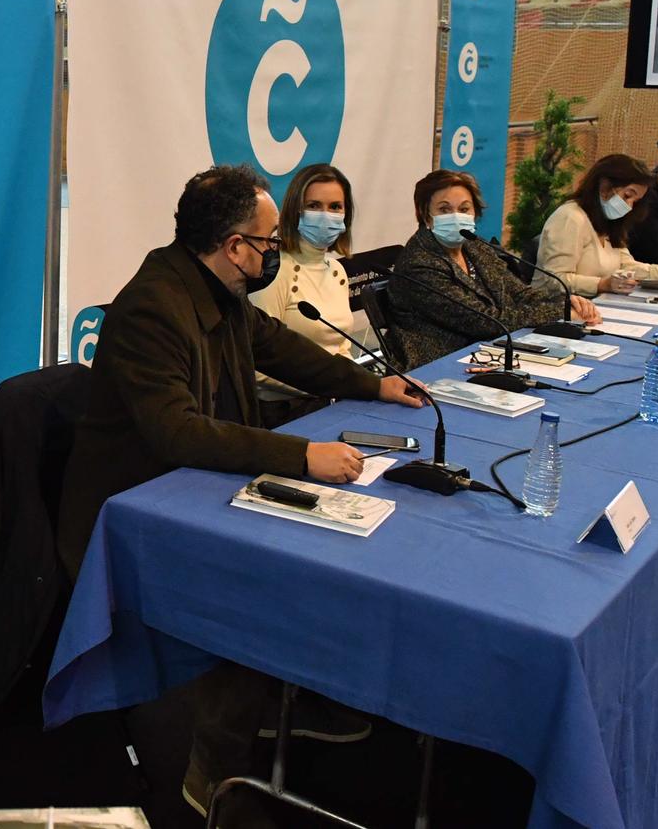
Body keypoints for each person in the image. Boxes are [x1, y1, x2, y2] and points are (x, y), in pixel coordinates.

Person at [53, 164, 428, 817]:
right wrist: (301, 455)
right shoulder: (154, 306)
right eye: (269, 238)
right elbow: (177, 433)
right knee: (258, 570)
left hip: (186, 480)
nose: (275, 249)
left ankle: (296, 692)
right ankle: (214, 763)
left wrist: (372, 384)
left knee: (313, 539)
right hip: (133, 507)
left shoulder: (216, 288)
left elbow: (279, 347)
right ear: (234, 246)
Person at [388, 169, 590, 370]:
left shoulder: (474, 246)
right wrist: (558, 313)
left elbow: (519, 292)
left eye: (464, 209)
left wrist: (565, 305)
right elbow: (485, 321)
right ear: (426, 216)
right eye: (444, 209)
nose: (456, 217)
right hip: (437, 366)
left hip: (487, 353)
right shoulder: (419, 263)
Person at [538, 154, 658, 298]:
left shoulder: (610, 222)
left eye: (635, 201)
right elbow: (554, 279)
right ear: (604, 186)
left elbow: (626, 265)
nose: (630, 206)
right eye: (627, 196)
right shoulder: (570, 217)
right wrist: (602, 284)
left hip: (595, 306)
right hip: (556, 310)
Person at [248, 163, 359, 357]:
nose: (326, 215)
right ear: (295, 210)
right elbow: (259, 363)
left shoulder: (337, 270)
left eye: (335, 207)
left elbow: (341, 347)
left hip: (338, 385)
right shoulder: (274, 271)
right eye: (314, 206)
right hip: (290, 387)